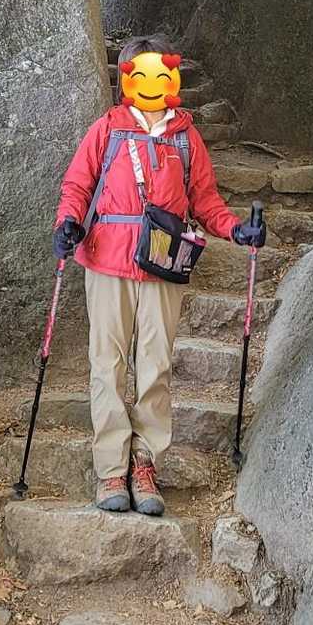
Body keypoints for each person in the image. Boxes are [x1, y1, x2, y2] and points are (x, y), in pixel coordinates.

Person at [53, 35, 266, 515]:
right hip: (107, 258)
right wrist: (67, 223)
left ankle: (145, 462)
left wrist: (237, 230)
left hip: (163, 263)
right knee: (107, 363)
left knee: (155, 365)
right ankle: (112, 468)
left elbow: (205, 201)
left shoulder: (185, 139)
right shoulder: (107, 130)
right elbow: (77, 185)